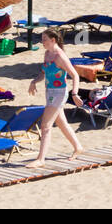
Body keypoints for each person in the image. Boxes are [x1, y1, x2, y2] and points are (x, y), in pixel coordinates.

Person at [26, 29, 85, 167]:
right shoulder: (47, 54)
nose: (42, 42)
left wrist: (75, 93)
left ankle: (41, 159)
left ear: (53, 40)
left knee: (45, 126)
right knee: (61, 123)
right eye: (42, 39)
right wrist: (34, 81)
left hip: (59, 93)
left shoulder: (60, 56)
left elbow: (75, 75)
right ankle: (78, 147)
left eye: (45, 39)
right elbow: (43, 73)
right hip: (49, 92)